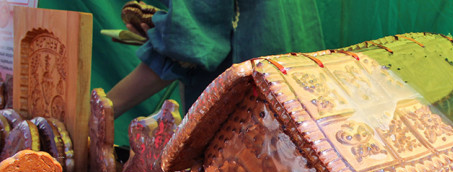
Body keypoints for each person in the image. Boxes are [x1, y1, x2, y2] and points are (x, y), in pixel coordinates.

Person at [108, 0, 326, 118]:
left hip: (246, 125)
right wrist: (170, 29)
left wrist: (105, 109)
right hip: (303, 102)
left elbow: (189, 46)